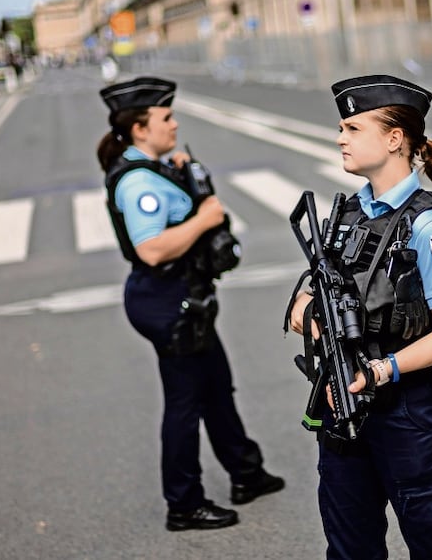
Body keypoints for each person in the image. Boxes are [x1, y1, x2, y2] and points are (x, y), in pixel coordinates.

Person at [286, 75, 432, 559]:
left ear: (395, 139)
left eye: (353, 128)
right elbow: (302, 306)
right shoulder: (349, 214)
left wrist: (379, 370)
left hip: (408, 413)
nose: (340, 138)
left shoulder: (429, 226)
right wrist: (326, 335)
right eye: (341, 128)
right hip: (341, 402)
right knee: (350, 548)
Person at [96, 76, 284, 532]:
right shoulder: (138, 180)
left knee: (217, 384)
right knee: (184, 403)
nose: (174, 123)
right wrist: (203, 220)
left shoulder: (153, 167)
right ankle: (183, 504)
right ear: (140, 128)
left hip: (186, 296)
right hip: (166, 298)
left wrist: (184, 170)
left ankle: (245, 472)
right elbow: (152, 249)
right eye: (166, 118)